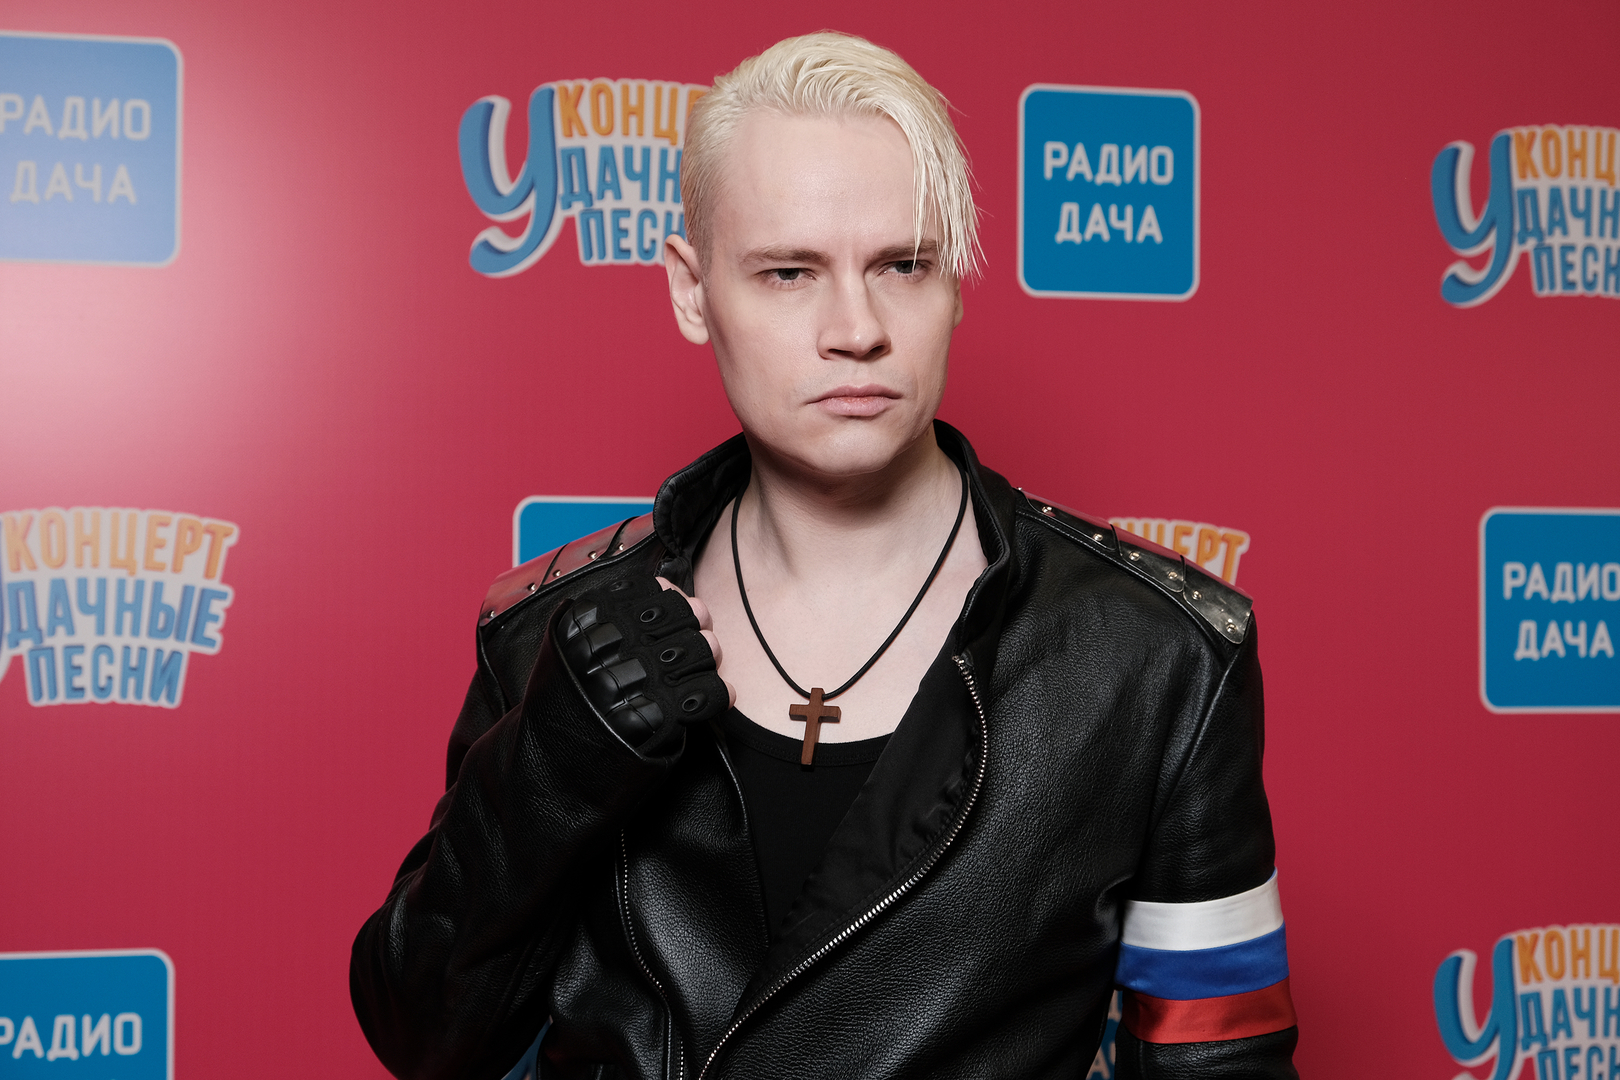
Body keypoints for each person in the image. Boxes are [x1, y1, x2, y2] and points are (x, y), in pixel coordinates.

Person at [351, 32, 1298, 1080]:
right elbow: (423, 1034)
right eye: (789, 272)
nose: (856, 328)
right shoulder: (547, 633)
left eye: (903, 265)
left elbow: (1226, 1066)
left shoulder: (1160, 660)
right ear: (691, 289)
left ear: (955, 284)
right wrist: (554, 767)